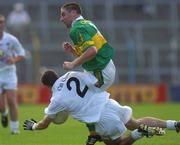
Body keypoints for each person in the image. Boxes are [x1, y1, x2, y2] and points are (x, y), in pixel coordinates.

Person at [23, 70, 180, 145]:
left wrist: (33, 126)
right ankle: (173, 124)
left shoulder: (56, 99)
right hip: (109, 103)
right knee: (135, 121)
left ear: (46, 86)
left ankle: (139, 134)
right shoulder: (72, 74)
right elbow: (88, 93)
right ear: (56, 76)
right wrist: (92, 133)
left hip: (102, 119)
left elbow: (45, 123)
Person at [60, 2, 116, 91]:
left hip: (100, 72)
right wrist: (73, 51)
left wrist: (73, 64)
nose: (61, 19)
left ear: (74, 13)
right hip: (106, 66)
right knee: (92, 101)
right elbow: (90, 54)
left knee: (71, 92)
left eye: (63, 15)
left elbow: (92, 51)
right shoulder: (87, 23)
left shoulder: (76, 29)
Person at [0, 14, 25, 134]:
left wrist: (13, 60)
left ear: (4, 24)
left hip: (9, 73)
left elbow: (21, 53)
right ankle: (4, 114)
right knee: (1, 106)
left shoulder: (11, 39)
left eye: (1, 22)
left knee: (11, 100)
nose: (0, 24)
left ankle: (14, 129)